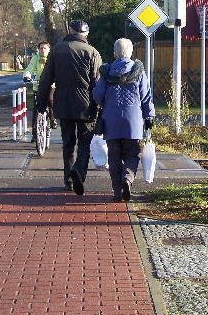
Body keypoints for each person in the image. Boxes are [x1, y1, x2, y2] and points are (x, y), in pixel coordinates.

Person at [36, 20, 102, 194]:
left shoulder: (57, 49)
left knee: (68, 142)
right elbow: (97, 83)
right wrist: (100, 106)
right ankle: (79, 172)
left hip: (63, 103)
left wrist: (41, 103)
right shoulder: (93, 52)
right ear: (85, 34)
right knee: (85, 142)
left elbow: (46, 78)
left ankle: (68, 180)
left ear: (70, 31)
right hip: (85, 104)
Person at [92, 38, 154, 202]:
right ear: (131, 52)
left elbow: (97, 96)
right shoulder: (139, 71)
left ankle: (117, 192)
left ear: (114, 53)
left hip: (110, 121)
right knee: (132, 154)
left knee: (113, 157)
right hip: (133, 121)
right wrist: (149, 116)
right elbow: (146, 97)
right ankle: (127, 178)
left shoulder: (106, 72)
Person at [23, 41, 50, 142]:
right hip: (38, 86)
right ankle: (35, 133)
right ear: (38, 50)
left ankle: (52, 119)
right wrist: (27, 76)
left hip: (51, 85)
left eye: (45, 48)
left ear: (49, 49)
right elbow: (29, 69)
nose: (43, 50)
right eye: (41, 48)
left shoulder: (52, 58)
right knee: (36, 109)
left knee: (51, 101)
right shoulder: (36, 58)